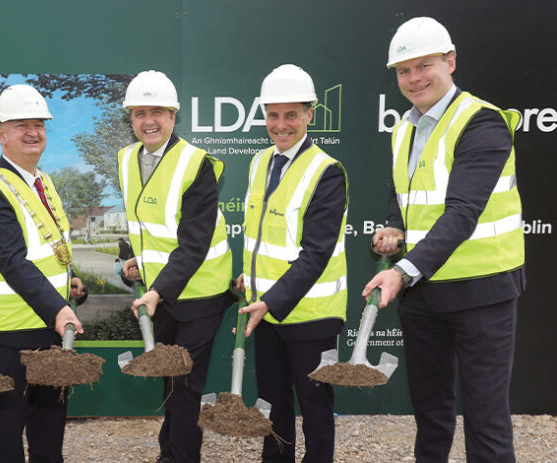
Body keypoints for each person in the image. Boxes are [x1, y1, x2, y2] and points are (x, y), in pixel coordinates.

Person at [362, 17, 524, 463]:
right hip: (424, 293)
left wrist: (401, 271)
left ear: (450, 62)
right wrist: (395, 229)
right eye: (404, 70)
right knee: (430, 414)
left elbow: (462, 212)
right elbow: (403, 196)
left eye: (424, 65)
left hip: (481, 293)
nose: (414, 78)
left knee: (486, 420)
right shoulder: (404, 128)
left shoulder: (482, 122)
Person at [117, 70, 233, 463]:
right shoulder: (126, 159)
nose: (148, 121)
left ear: (172, 116)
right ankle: (170, 452)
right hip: (161, 293)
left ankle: (180, 457)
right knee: (171, 380)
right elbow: (146, 224)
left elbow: (194, 243)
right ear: (130, 118)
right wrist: (137, 260)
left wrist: (156, 291)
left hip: (201, 293)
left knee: (185, 383)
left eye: (157, 112)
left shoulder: (196, 164)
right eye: (139, 113)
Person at [235, 64, 348, 463]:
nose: (280, 125)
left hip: (312, 316)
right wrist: (250, 278)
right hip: (266, 312)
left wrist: (270, 300)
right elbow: (262, 236)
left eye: (291, 115)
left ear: (309, 115)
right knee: (272, 404)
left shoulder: (326, 172)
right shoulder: (259, 162)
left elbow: (316, 252)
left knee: (315, 409)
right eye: (273, 115)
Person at [0, 84, 85, 463]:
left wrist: (68, 281)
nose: (33, 132)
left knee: (49, 425)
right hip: (9, 335)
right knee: (7, 427)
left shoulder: (42, 181)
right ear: (0, 133)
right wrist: (59, 309)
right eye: (22, 125)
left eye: (39, 124)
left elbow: (49, 246)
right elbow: (12, 261)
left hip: (48, 328)